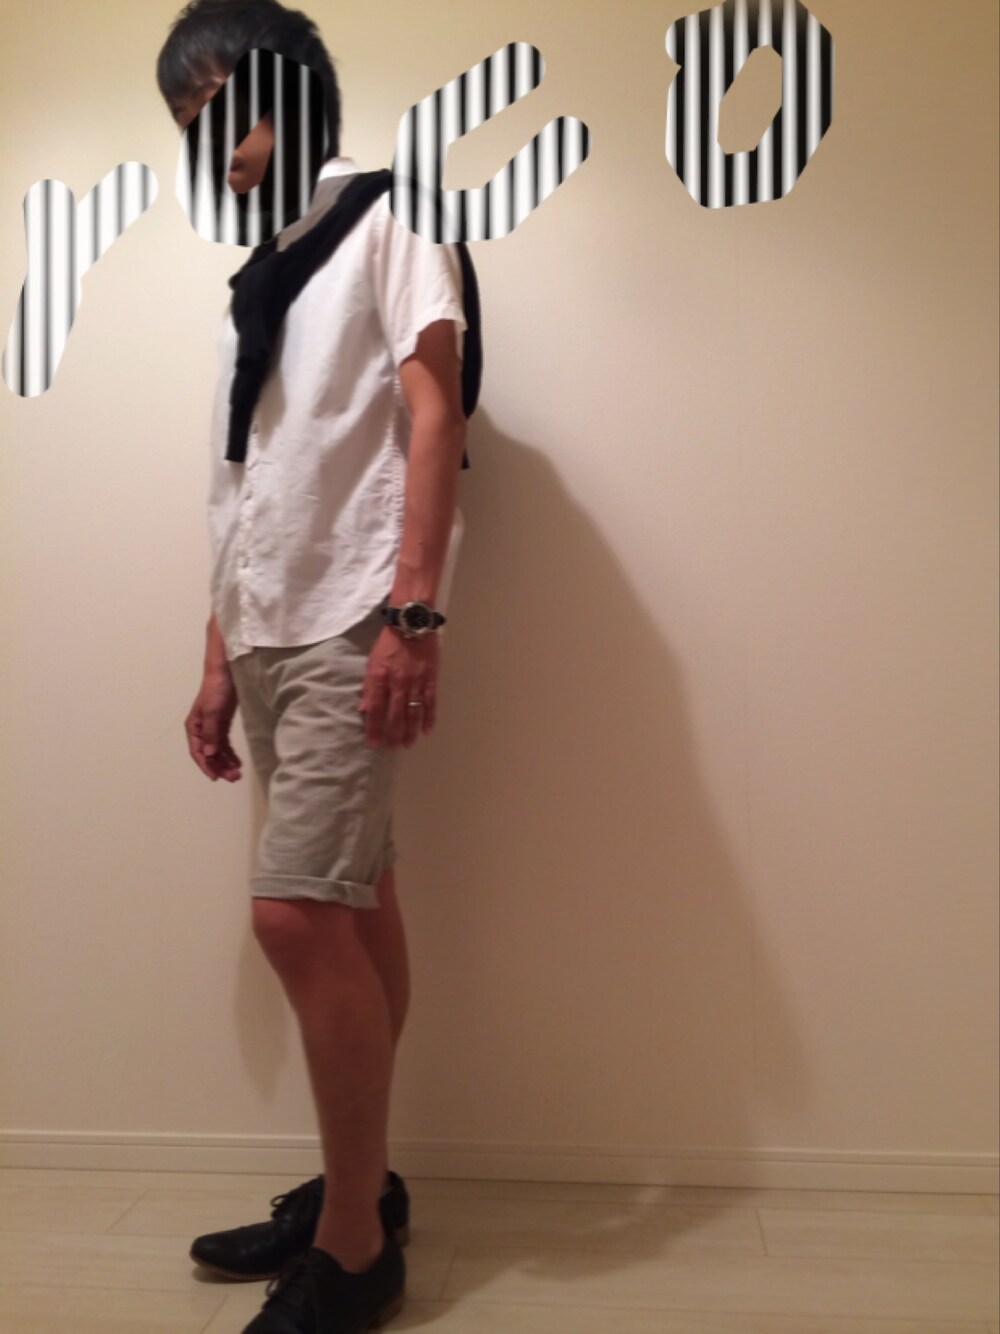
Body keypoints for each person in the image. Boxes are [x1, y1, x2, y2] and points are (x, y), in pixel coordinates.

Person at [157, 2, 475, 1329]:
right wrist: (217, 654)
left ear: (291, 90)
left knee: (295, 915)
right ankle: (366, 1188)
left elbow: (435, 414)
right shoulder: (263, 275)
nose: (211, 142)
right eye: (188, 125)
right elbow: (249, 483)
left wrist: (413, 615)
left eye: (223, 108)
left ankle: (352, 1249)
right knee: (356, 898)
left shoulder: (394, 220)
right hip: (269, 624)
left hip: (353, 613)